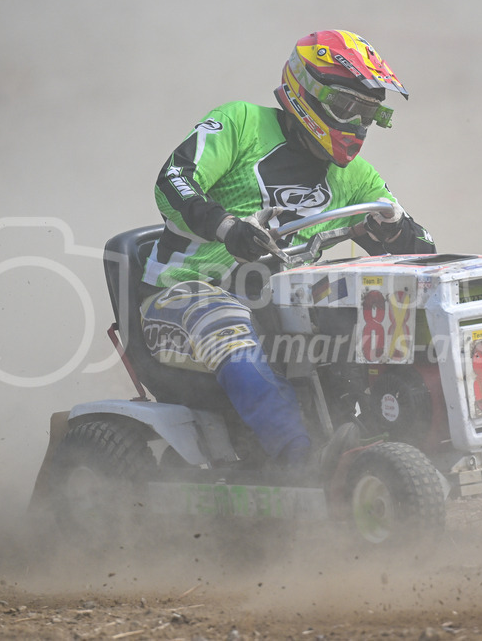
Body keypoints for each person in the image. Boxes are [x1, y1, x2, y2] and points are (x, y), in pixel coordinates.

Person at [139, 30, 435, 476]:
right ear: (307, 92)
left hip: (289, 300)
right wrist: (227, 228)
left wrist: (395, 232)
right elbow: (174, 179)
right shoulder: (241, 123)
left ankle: (413, 430)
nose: (357, 125)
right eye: (347, 107)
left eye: (368, 113)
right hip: (186, 293)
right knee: (229, 325)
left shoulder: (355, 177)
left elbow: (423, 255)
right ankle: (303, 462)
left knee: (388, 308)